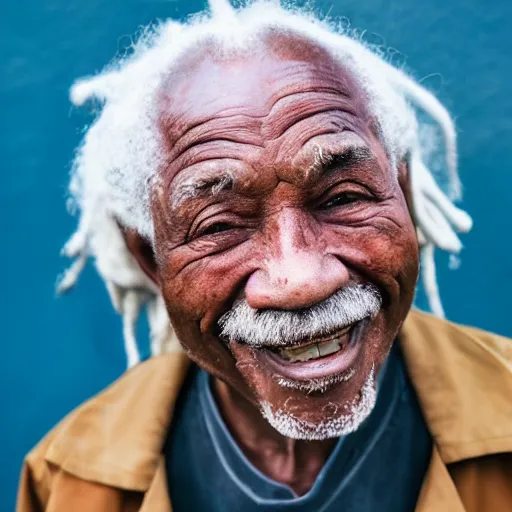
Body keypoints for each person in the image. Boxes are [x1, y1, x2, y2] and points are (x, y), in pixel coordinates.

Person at [17, 1, 512, 511]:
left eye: (343, 197)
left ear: (402, 196)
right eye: (221, 226)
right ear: (150, 258)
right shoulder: (69, 480)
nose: (300, 278)